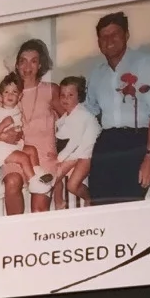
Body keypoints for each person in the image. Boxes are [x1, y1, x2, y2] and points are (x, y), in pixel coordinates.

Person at [84, 11, 150, 204]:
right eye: (103, 36)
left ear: (126, 35)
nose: (109, 40)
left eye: (115, 34)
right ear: (98, 42)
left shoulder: (146, 64)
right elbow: (89, 111)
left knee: (129, 205)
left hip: (137, 141)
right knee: (99, 203)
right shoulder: (97, 74)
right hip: (106, 143)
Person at [0, 40, 57, 214]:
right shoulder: (6, 95)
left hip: (44, 156)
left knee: (39, 211)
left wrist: (69, 156)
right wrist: (1, 136)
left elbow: (72, 119)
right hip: (15, 152)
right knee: (12, 182)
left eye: (33, 61)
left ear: (40, 65)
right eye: (23, 61)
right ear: (17, 65)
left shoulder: (51, 90)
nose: (27, 67)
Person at [48, 75, 101, 208]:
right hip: (77, 153)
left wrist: (59, 159)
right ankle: (60, 201)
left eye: (70, 95)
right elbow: (62, 132)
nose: (65, 98)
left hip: (86, 155)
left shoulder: (81, 114)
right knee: (57, 175)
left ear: (79, 96)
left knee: (71, 185)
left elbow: (75, 141)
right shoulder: (69, 114)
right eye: (62, 95)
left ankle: (90, 199)